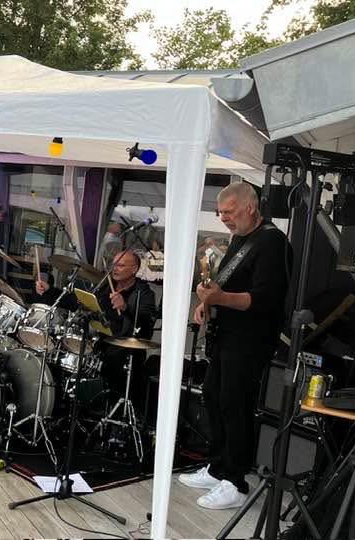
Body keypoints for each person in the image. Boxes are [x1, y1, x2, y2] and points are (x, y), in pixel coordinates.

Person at [180, 181, 290, 510]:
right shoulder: (241, 238)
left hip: (250, 339)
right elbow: (225, 286)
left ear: (250, 208)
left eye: (228, 212)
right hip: (226, 334)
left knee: (235, 404)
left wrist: (220, 298)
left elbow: (265, 300)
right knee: (214, 397)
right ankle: (218, 467)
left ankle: (235, 481)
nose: (223, 218)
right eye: (220, 213)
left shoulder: (273, 242)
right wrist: (207, 304)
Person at [95, 250, 157, 405]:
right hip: (101, 342)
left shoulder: (144, 293)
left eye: (121, 265)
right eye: (114, 264)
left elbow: (146, 321)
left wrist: (125, 307)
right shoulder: (105, 287)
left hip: (125, 352)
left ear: (134, 269)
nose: (115, 268)